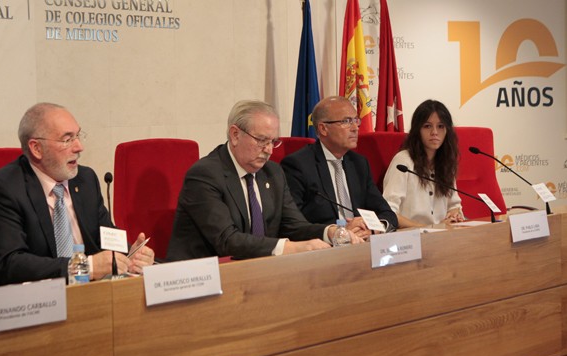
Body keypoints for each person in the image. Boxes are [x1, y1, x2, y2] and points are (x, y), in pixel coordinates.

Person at [0, 103, 155, 286]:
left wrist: (131, 254)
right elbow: (11, 263)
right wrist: (84, 267)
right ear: (36, 148)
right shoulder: (5, 188)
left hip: (91, 293)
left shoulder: (85, 179)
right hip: (37, 302)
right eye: (67, 139)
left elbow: (104, 237)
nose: (79, 147)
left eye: (78, 136)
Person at [166, 100, 360, 261]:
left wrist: (332, 232)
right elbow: (227, 240)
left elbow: (294, 225)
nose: (269, 150)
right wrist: (290, 248)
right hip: (203, 277)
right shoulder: (205, 175)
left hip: (256, 271)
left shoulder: (273, 172)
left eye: (273, 142)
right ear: (235, 135)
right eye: (261, 140)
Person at [281, 96, 397, 237]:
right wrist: (340, 231)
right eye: (346, 121)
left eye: (356, 120)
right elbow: (293, 224)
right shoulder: (298, 165)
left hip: (362, 242)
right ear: (323, 129)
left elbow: (386, 213)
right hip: (324, 247)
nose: (355, 128)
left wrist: (375, 228)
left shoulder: (359, 164)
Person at [382, 99, 464, 228]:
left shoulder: (446, 161)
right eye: (427, 126)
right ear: (417, 130)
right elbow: (389, 212)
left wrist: (454, 214)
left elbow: (454, 205)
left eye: (440, 126)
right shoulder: (403, 162)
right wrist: (427, 228)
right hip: (411, 238)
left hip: (442, 237)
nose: (435, 132)